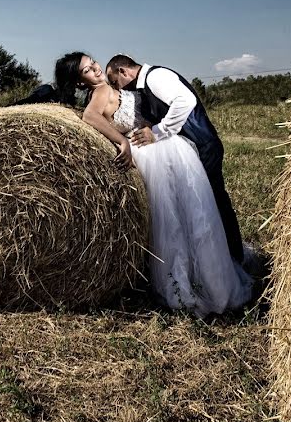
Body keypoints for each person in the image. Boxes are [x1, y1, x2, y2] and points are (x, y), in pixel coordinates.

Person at [54, 52, 253, 317]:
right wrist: (121, 141)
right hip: (152, 152)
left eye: (93, 63)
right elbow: (90, 117)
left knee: (190, 213)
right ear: (80, 82)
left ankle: (207, 277)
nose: (95, 69)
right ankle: (197, 282)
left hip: (163, 146)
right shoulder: (100, 92)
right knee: (177, 219)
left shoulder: (115, 86)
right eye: (87, 70)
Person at [104, 54, 244, 264]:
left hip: (203, 146)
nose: (118, 88)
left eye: (115, 81)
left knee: (214, 202)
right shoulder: (145, 84)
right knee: (199, 207)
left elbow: (185, 101)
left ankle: (234, 257)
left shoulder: (156, 77)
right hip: (192, 151)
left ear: (124, 71)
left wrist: (158, 131)